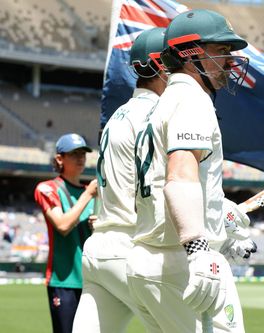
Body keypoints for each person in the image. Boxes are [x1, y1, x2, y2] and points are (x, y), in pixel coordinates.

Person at [126, 9, 256, 333]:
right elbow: (179, 178)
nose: (230, 60)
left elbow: (163, 180)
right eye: (222, 50)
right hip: (179, 263)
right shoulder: (191, 99)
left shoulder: (166, 99)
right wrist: (200, 249)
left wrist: (218, 217)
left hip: (146, 261)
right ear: (191, 53)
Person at [72, 28, 168, 333]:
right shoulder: (161, 114)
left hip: (98, 249)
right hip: (132, 248)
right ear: (162, 67)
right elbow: (164, 187)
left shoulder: (117, 115)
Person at [33, 133, 97, 333]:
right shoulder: (47, 188)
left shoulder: (94, 194)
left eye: (83, 153)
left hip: (93, 280)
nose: (80, 158)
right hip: (64, 280)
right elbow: (62, 225)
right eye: (74, 153)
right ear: (59, 158)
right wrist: (87, 195)